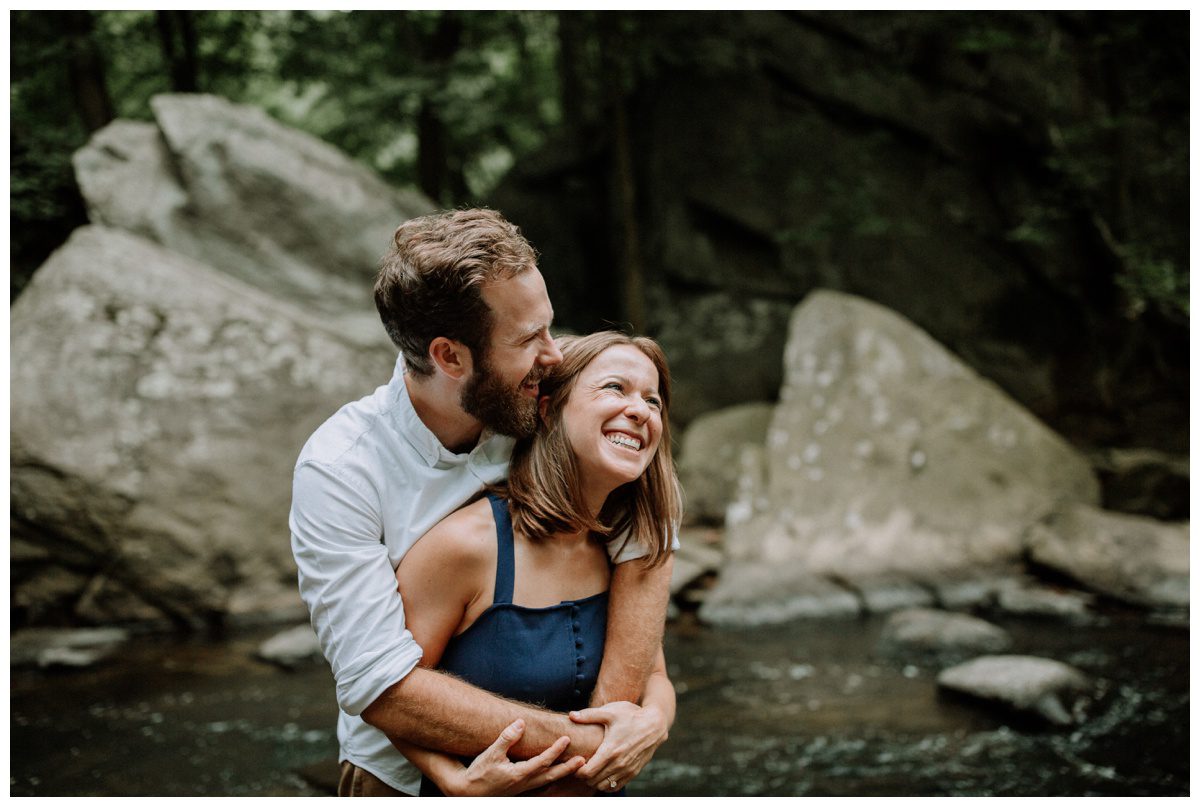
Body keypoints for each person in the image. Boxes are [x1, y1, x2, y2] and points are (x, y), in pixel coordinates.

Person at [289, 209, 677, 796]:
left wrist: (646, 721)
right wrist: (590, 746)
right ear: (450, 357)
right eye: (530, 338)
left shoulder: (540, 388)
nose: (553, 355)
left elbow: (644, 521)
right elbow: (380, 683)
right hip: (401, 775)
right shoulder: (342, 470)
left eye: (549, 327)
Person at [393, 332, 681, 796]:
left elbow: (655, 677)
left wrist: (653, 723)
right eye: (615, 388)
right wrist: (455, 782)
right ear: (548, 409)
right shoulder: (466, 545)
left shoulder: (627, 548)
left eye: (653, 401)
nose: (641, 410)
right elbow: (387, 697)